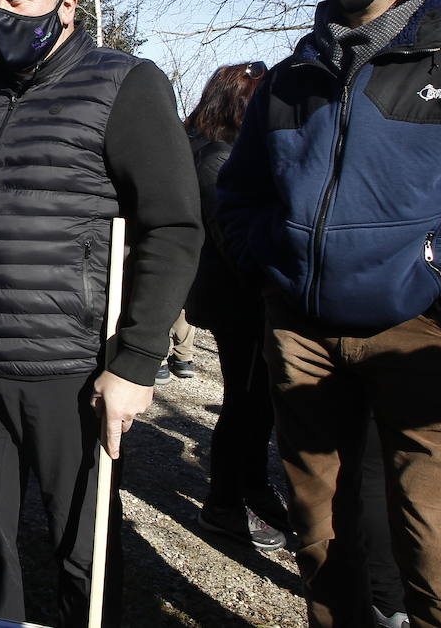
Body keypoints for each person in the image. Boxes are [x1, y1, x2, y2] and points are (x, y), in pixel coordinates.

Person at [217, 0, 441, 627]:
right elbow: (240, 195)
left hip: (424, 333)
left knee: (436, 558)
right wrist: (276, 275)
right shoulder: (292, 77)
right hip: (302, 335)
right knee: (322, 544)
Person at [0, 0, 202, 628]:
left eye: (16, 0)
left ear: (68, 3)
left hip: (68, 366)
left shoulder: (125, 83)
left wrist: (136, 361)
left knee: (83, 548)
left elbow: (173, 227)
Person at [179, 61, 289, 552]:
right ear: (239, 102)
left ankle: (252, 489)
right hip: (238, 301)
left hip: (238, 297)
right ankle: (226, 502)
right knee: (246, 405)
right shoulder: (216, 159)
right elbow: (235, 243)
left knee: (255, 404)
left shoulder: (214, 150)